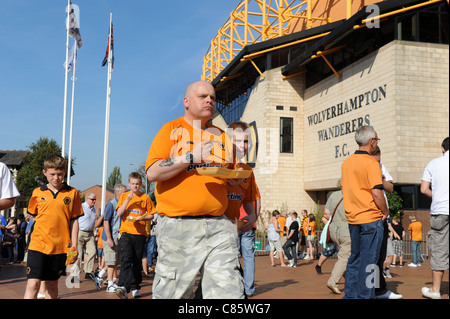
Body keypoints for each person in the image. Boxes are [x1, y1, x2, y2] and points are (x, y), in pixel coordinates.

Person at [145, 80, 244, 299]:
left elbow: (229, 174)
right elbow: (152, 173)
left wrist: (233, 181)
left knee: (229, 293)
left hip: (219, 226)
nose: (210, 100)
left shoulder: (222, 135)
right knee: (174, 294)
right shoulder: (171, 129)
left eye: (213, 97)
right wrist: (191, 156)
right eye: (203, 96)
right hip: (178, 227)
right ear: (187, 102)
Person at [340, 125, 399, 299]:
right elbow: (376, 191)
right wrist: (386, 211)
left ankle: (350, 295)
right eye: (377, 140)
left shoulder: (347, 162)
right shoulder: (372, 163)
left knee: (355, 259)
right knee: (370, 262)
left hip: (353, 218)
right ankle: (365, 295)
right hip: (371, 218)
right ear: (372, 141)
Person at [24, 154, 83, 299]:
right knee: (33, 284)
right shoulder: (38, 192)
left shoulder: (73, 193)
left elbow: (74, 221)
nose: (56, 178)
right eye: (52, 174)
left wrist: (74, 245)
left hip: (60, 247)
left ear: (64, 172)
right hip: (38, 244)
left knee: (52, 286)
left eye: (59, 174)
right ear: (45, 173)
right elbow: (33, 215)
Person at [225, 121, 259, 296]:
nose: (242, 146)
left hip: (236, 229)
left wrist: (253, 215)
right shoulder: (218, 165)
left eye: (245, 141)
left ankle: (247, 289)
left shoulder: (247, 171)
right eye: (237, 141)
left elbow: (250, 199)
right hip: (216, 233)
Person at [115, 172, 155, 299]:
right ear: (129, 184)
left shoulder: (146, 198)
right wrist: (127, 199)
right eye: (133, 184)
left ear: (141, 184)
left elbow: (152, 215)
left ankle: (135, 286)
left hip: (140, 234)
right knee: (126, 258)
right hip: (125, 232)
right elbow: (119, 213)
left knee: (137, 261)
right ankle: (122, 286)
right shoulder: (124, 196)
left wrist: (140, 217)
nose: (135, 186)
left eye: (137, 184)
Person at [420, 137, 449, 299]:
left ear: (442, 149)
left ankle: (435, 290)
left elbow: (424, 189)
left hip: (440, 211)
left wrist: (437, 196)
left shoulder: (433, 163)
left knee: (439, 250)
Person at [370, 146, 400, 297]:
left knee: (380, 256)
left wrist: (380, 177)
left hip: (382, 218)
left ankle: (378, 289)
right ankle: (371, 290)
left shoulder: (381, 168)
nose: (378, 163)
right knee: (371, 257)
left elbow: (390, 188)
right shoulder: (363, 167)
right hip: (371, 216)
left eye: (379, 160)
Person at [97, 183, 127, 293]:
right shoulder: (111, 204)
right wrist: (109, 238)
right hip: (111, 236)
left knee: (115, 261)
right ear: (118, 192)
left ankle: (101, 276)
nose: (126, 193)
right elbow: (106, 221)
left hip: (119, 236)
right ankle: (110, 284)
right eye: (124, 191)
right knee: (110, 261)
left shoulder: (123, 203)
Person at [324, 184, 350, 295]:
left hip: (334, 230)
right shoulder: (351, 195)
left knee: (344, 257)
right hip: (347, 230)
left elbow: (327, 213)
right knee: (345, 257)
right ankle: (333, 281)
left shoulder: (333, 195)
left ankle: (351, 282)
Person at [76, 192, 98, 281]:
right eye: (92, 199)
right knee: (78, 254)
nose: (94, 201)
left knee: (92, 251)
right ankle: (74, 275)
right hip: (80, 232)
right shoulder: (81, 207)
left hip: (90, 233)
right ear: (87, 199)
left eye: (95, 199)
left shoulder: (93, 209)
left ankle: (88, 271)